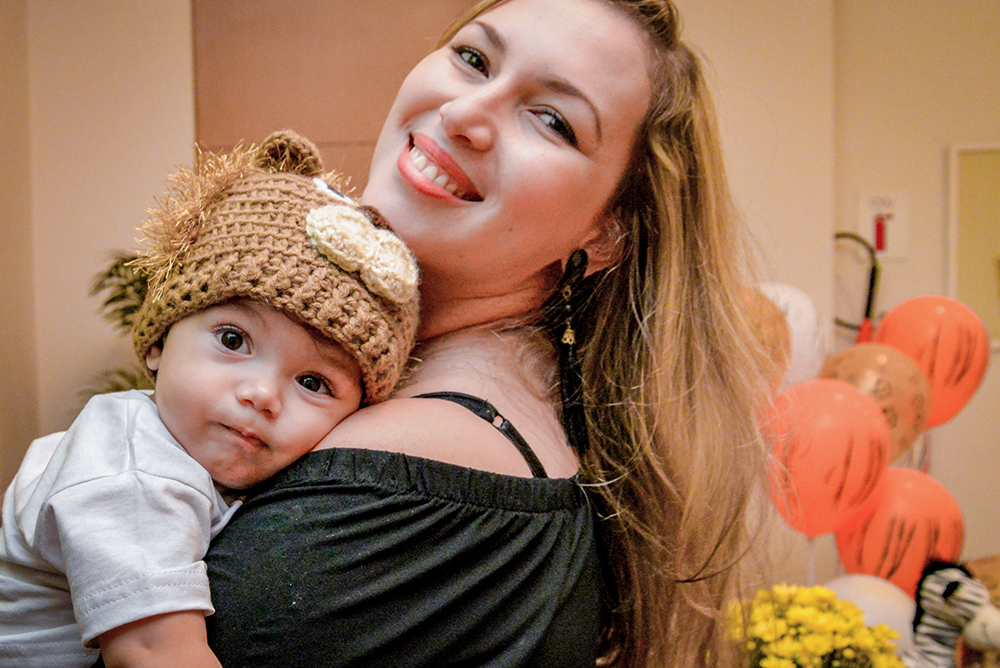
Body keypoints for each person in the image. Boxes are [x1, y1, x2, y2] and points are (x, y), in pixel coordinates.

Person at [204, 0, 771, 666]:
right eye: (473, 59)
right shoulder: (535, 428)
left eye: (553, 121)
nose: (463, 115)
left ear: (608, 230)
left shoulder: (400, 470)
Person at [0, 131, 419, 668]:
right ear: (157, 342)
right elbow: (155, 654)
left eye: (313, 383)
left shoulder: (208, 466)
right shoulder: (133, 475)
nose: (262, 395)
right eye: (233, 340)